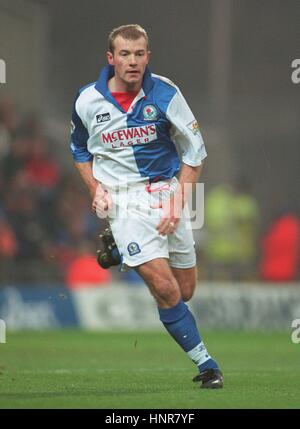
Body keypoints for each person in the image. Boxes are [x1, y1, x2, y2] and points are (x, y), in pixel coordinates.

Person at [70, 24, 223, 389]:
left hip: (168, 192)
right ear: (111, 58)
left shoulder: (166, 93)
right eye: (125, 54)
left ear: (147, 57)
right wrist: (96, 188)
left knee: (184, 291)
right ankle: (208, 367)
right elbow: (79, 149)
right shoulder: (86, 100)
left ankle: (123, 253)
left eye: (139, 54)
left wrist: (177, 202)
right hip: (124, 199)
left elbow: (195, 152)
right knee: (166, 290)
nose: (133, 61)